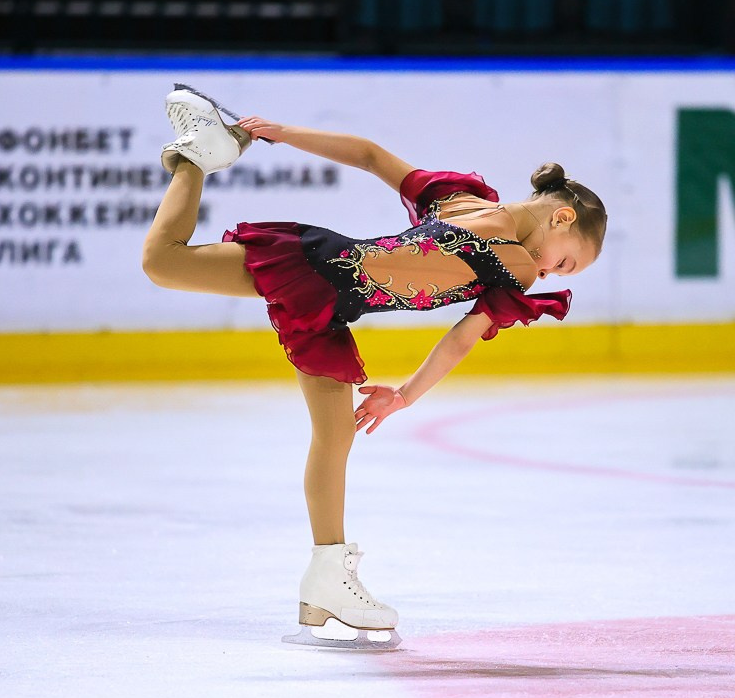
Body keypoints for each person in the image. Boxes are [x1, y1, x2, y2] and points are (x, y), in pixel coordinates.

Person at [141, 86, 607, 649]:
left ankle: (326, 578)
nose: (552, 272)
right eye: (566, 261)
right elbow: (462, 339)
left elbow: (368, 154)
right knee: (163, 262)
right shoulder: (513, 264)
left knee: (335, 438)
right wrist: (406, 396)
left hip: (331, 305)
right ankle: (196, 156)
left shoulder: (459, 198)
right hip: (314, 270)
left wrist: (284, 133)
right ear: (561, 217)